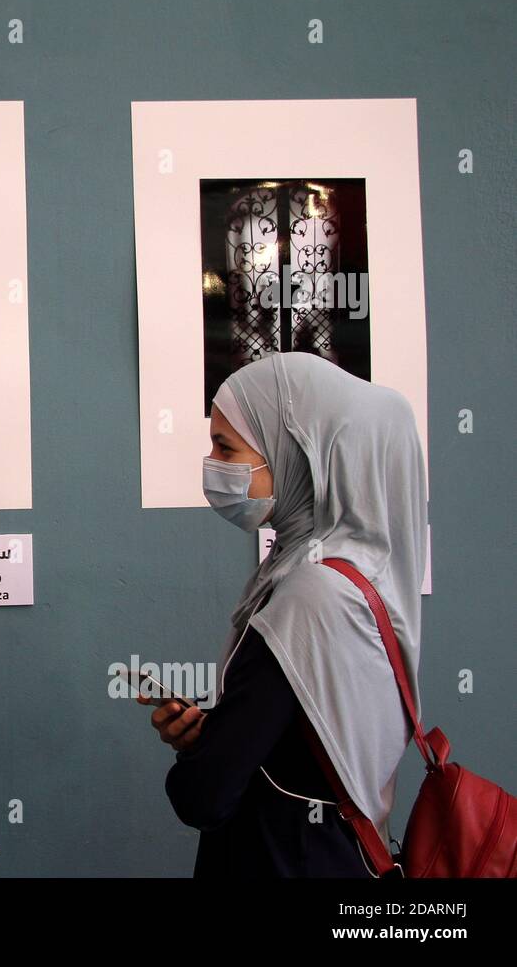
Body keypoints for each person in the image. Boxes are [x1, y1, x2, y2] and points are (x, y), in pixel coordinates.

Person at [140, 351, 427, 877]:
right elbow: (302, 736)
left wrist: (199, 759)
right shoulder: (362, 580)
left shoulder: (310, 595)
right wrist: (214, 733)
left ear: (298, 454)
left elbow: (204, 797)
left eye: (225, 446)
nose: (213, 463)